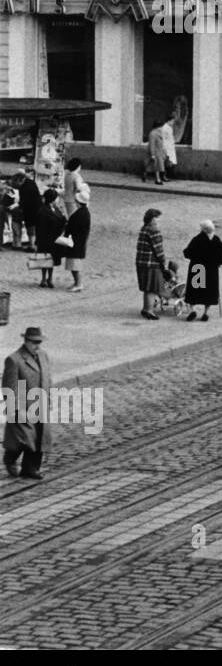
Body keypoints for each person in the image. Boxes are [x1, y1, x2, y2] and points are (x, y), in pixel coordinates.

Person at [3, 327, 52, 480]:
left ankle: (31, 469)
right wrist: (16, 409)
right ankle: (10, 458)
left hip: (40, 405)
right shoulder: (14, 359)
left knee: (39, 438)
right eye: (34, 342)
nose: (37, 346)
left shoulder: (43, 356)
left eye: (39, 342)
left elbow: (47, 378)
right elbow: (9, 386)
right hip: (23, 407)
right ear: (26, 341)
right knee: (24, 439)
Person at [182, 220, 222, 322]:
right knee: (209, 293)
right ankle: (205, 313)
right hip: (211, 271)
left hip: (197, 269)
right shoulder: (216, 240)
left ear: (202, 229)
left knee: (194, 292)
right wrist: (218, 263)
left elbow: (187, 253)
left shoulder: (197, 239)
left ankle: (192, 310)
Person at [135, 207, 167, 319]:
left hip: (141, 262)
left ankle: (145, 308)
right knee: (152, 288)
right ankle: (149, 310)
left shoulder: (143, 229)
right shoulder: (154, 231)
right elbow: (159, 250)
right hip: (151, 264)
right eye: (157, 218)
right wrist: (164, 263)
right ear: (152, 219)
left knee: (146, 287)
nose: (158, 221)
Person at [62, 187, 91, 293]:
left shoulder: (80, 214)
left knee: (74, 265)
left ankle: (78, 283)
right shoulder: (84, 212)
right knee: (73, 264)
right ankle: (76, 283)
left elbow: (73, 226)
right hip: (78, 242)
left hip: (75, 243)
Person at [34, 189, 65, 289]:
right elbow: (39, 227)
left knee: (52, 260)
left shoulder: (55, 209)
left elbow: (62, 220)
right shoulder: (43, 211)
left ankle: (50, 278)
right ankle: (43, 278)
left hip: (54, 239)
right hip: (45, 239)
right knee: (44, 259)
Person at [15, 168, 40, 251]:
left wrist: (19, 207)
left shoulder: (25, 187)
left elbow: (24, 200)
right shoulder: (31, 182)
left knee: (30, 227)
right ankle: (33, 244)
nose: (17, 184)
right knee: (33, 227)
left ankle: (31, 246)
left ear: (21, 180)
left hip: (31, 210)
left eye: (17, 182)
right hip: (36, 208)